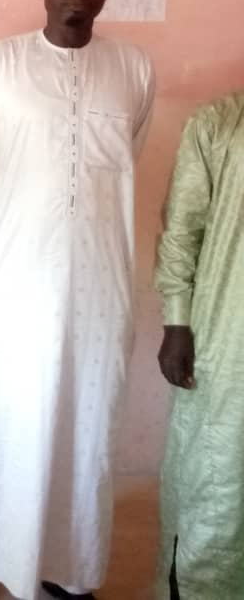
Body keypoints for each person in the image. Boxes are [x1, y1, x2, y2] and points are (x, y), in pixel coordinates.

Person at [0, 0, 156, 600]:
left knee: (82, 431)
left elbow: (123, 163)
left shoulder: (134, 70)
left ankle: (70, 569)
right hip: (3, 287)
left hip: (95, 289)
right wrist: (0, 245)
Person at [154, 90, 244, 599]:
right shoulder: (219, 122)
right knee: (217, 472)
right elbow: (182, 226)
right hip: (228, 334)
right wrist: (176, 323)